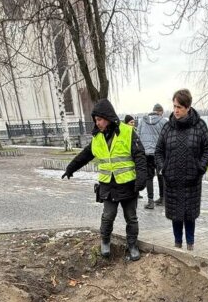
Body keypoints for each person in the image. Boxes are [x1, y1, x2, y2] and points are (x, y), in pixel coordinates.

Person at [62, 99, 147, 261]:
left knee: (131, 217)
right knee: (108, 215)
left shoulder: (128, 132)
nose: (97, 123)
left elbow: (140, 156)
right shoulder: (97, 137)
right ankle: (105, 241)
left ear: (108, 117)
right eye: (95, 120)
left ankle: (132, 245)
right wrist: (70, 168)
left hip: (128, 185)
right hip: (108, 185)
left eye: (99, 119)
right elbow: (86, 155)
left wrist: (141, 179)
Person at [155, 89, 208, 251]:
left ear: (188, 107)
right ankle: (177, 244)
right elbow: (159, 150)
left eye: (179, 107)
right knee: (175, 216)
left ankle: (190, 246)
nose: (176, 110)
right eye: (174, 106)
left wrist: (200, 168)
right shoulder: (167, 127)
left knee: (189, 215)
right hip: (172, 180)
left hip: (191, 180)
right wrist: (163, 168)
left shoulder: (200, 126)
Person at [136, 103, 167, 210]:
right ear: (160, 112)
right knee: (160, 175)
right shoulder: (163, 121)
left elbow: (138, 137)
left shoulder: (142, 121)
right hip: (159, 154)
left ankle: (150, 201)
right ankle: (162, 198)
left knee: (149, 177)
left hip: (146, 153)